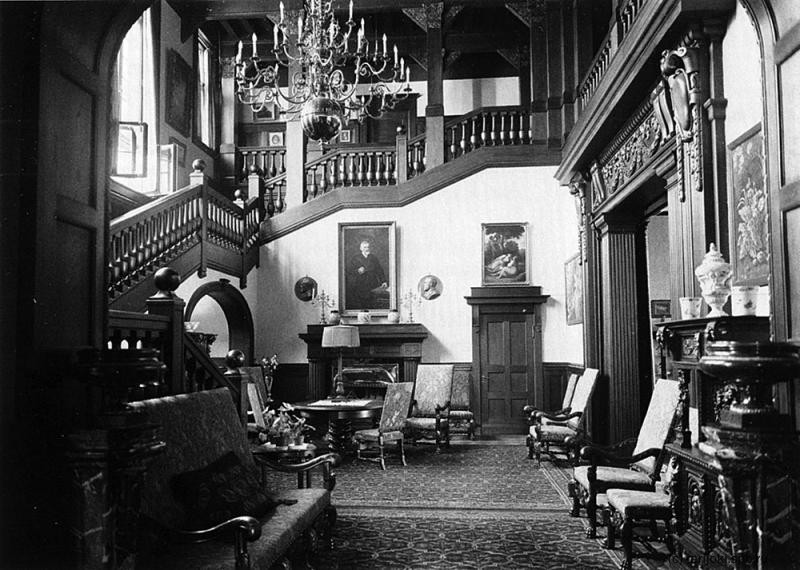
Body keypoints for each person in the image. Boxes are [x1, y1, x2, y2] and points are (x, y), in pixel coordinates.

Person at [346, 239, 388, 309]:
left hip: (373, 284)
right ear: (361, 248)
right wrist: (358, 271)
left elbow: (379, 270)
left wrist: (383, 281)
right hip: (360, 284)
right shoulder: (356, 258)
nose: (367, 249)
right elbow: (349, 271)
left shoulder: (373, 258)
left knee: (372, 302)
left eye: (368, 247)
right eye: (365, 247)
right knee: (362, 303)